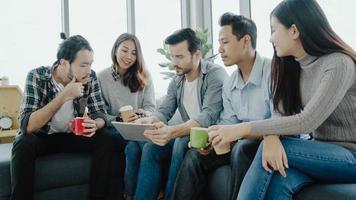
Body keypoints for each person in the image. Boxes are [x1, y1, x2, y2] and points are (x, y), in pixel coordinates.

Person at [207, 1, 356, 200]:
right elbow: (281, 113)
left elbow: (307, 121)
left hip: (350, 155)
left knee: (266, 153)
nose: (270, 38)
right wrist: (271, 137)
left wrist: (241, 130)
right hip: (319, 152)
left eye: (274, 30)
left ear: (294, 30)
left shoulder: (338, 63)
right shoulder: (292, 66)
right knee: (279, 178)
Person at [172, 13, 272, 200]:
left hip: (266, 142)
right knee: (194, 155)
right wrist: (212, 139)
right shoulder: (230, 82)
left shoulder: (272, 73)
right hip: (237, 142)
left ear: (245, 41)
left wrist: (236, 133)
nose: (220, 49)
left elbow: (279, 122)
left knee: (242, 148)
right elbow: (228, 121)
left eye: (225, 42)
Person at [10, 35, 116, 200]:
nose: (88, 70)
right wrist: (64, 95)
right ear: (63, 63)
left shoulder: (90, 77)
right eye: (83, 65)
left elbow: (100, 112)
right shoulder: (37, 76)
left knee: (106, 138)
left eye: (90, 64)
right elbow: (27, 125)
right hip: (42, 137)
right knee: (22, 142)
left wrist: (95, 124)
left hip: (71, 136)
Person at [133, 28, 227, 200]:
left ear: (197, 54)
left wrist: (172, 132)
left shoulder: (214, 75)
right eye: (172, 56)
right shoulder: (177, 81)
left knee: (180, 142)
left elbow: (208, 117)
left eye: (180, 57)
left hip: (211, 137)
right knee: (150, 148)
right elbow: (164, 111)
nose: (173, 62)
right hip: (188, 134)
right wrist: (148, 120)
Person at [97, 33, 156, 200]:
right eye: (125, 50)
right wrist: (120, 119)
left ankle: (129, 195)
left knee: (133, 147)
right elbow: (100, 113)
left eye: (134, 53)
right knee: (135, 145)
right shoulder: (101, 77)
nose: (129, 57)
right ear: (115, 49)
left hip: (138, 128)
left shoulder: (144, 75)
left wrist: (144, 113)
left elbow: (151, 108)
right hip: (114, 129)